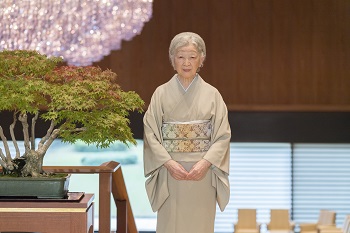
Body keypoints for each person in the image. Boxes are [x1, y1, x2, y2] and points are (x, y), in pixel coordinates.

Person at [143, 32, 231, 233]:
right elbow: (150, 134)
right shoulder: (161, 93)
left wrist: (205, 163)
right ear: (172, 59)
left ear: (202, 59)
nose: (186, 62)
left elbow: (222, 135)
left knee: (200, 225)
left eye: (192, 56)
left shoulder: (213, 95)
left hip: (203, 173)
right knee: (170, 224)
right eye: (181, 56)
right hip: (170, 171)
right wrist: (169, 163)